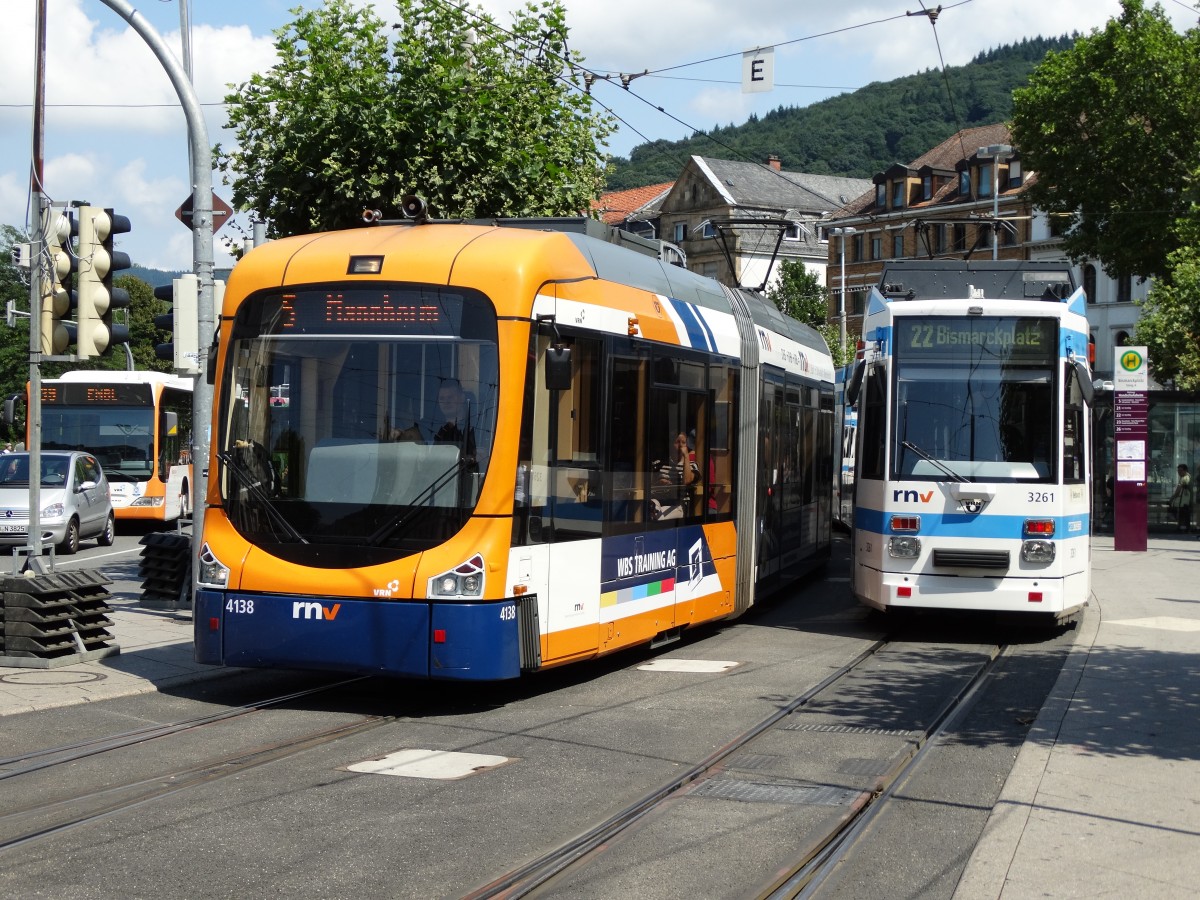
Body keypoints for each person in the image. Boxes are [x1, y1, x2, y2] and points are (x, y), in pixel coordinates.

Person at [651, 431, 699, 519]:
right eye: (677, 442)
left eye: (683, 442)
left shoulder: (692, 465)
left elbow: (687, 480)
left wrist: (686, 456)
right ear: (671, 444)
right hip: (659, 501)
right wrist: (660, 483)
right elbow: (650, 487)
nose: (680, 445)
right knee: (650, 506)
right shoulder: (659, 464)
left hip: (679, 506)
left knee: (658, 516)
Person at [432, 378, 476, 458]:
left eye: (450, 397)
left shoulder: (474, 427)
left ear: (462, 398)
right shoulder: (433, 429)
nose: (446, 402)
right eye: (442, 398)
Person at [1170, 463, 1193, 532]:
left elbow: (1178, 490)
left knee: (1183, 515)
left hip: (1184, 501)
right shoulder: (1188, 476)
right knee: (1184, 515)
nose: (1179, 472)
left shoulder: (1185, 478)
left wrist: (1172, 497)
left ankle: (1182, 528)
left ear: (1185, 470)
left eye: (1180, 471)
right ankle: (1184, 528)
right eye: (1178, 471)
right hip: (1185, 501)